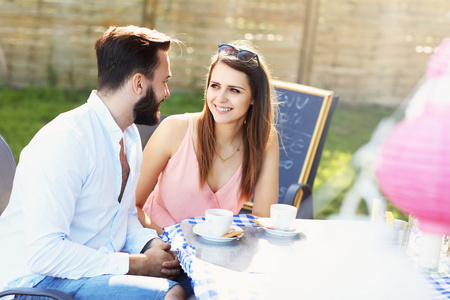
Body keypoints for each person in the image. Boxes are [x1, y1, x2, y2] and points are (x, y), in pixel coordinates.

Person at [0, 25, 188, 299]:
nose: (166, 92)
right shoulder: (67, 140)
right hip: (34, 284)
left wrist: (151, 245)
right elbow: (45, 253)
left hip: (86, 272)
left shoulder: (130, 137)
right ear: (138, 83)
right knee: (171, 294)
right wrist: (137, 265)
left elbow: (121, 218)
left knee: (185, 279)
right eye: (164, 81)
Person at [136, 41, 280, 234]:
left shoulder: (265, 141)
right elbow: (131, 208)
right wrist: (174, 244)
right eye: (215, 86)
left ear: (254, 97)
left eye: (234, 90)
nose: (220, 98)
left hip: (213, 253)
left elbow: (262, 219)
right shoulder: (175, 129)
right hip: (154, 245)